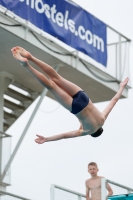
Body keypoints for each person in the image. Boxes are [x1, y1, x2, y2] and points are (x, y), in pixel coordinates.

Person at [11, 46, 129, 144]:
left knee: (56, 77)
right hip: (76, 107)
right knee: (51, 86)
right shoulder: (86, 131)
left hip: (84, 97)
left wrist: (122, 87)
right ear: (93, 133)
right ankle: (27, 65)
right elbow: (64, 136)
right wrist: (46, 139)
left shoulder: (102, 119)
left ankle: (30, 57)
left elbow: (114, 100)